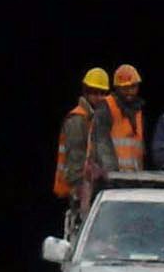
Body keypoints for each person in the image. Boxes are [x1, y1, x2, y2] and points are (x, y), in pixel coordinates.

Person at [53, 68, 116, 220]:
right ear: (86, 92)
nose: (99, 97)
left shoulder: (98, 118)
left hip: (94, 187)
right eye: (94, 92)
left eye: (103, 93)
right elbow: (75, 159)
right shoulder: (78, 119)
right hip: (81, 190)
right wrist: (78, 189)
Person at [105, 63, 146, 172]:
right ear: (117, 88)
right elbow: (99, 144)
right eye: (125, 87)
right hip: (112, 177)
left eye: (133, 86)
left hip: (134, 177)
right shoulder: (106, 107)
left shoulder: (138, 111)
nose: (130, 91)